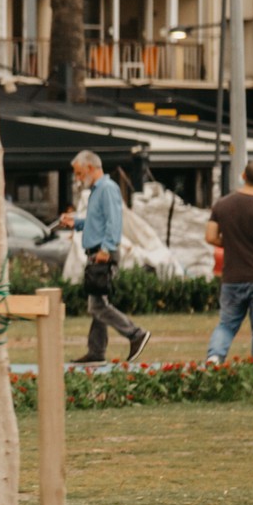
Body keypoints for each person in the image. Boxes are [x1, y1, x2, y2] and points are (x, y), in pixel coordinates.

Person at [58, 150, 152, 365]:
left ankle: (135, 334)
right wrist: (77, 223)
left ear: (91, 168)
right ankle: (96, 350)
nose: (78, 178)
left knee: (97, 305)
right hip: (97, 250)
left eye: (80, 173)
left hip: (102, 252)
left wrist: (107, 249)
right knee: (98, 301)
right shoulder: (97, 191)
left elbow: (113, 221)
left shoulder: (107, 189)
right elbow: (97, 221)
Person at [203, 159, 253, 362]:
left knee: (226, 324)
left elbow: (211, 237)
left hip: (232, 277)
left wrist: (232, 243)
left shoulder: (222, 205)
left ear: (243, 176)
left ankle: (214, 357)